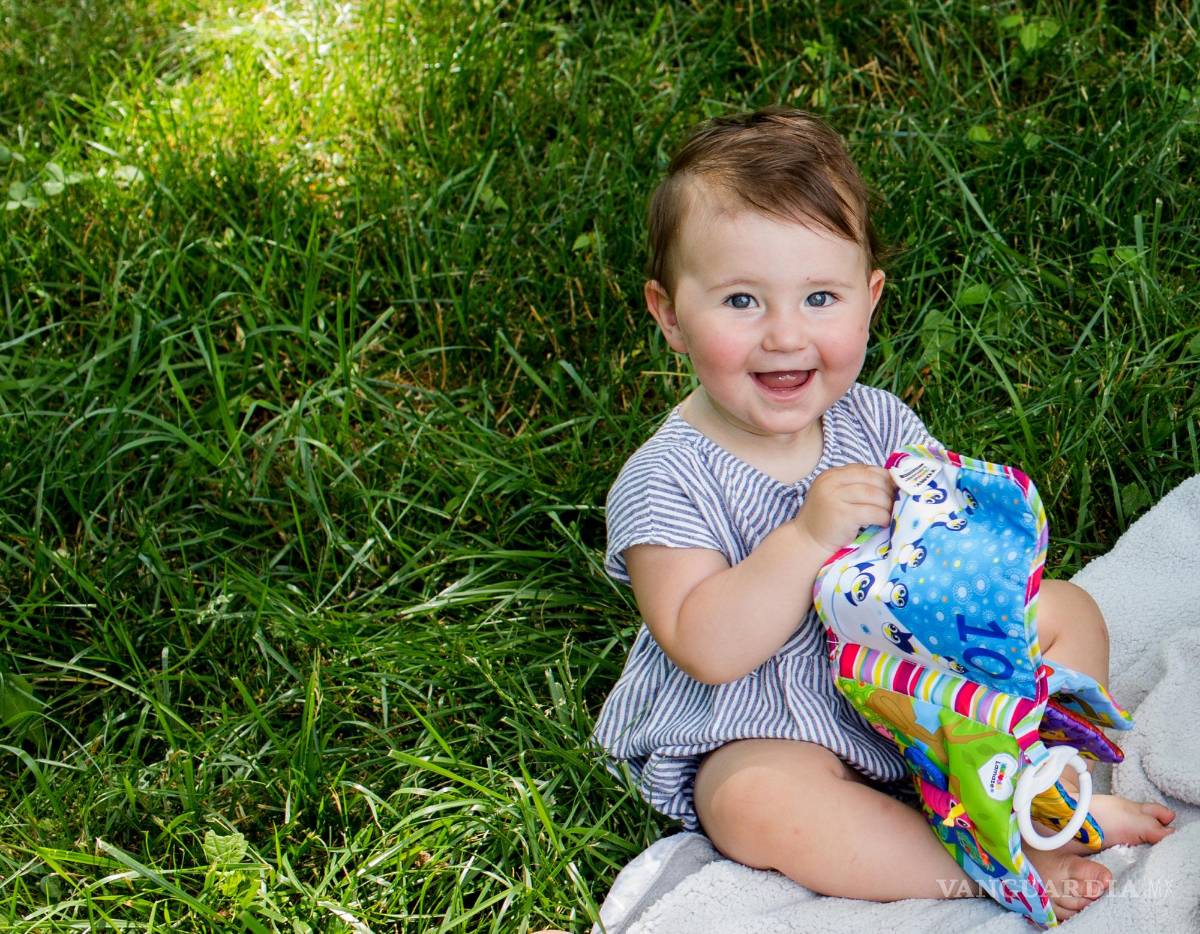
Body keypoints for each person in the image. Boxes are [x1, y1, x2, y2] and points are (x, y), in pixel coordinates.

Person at [591, 107, 1175, 920]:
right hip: (772, 721)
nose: (785, 334)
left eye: (820, 296)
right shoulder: (665, 478)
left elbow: (951, 548)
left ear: (869, 301)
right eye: (741, 301)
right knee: (751, 802)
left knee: (1066, 609)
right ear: (668, 315)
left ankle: (1042, 793)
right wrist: (804, 538)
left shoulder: (878, 422)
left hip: (912, 684)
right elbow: (705, 645)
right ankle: (980, 869)